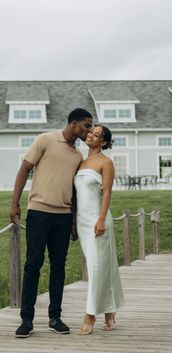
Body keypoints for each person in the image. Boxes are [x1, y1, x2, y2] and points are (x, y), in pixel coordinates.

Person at [10, 108, 93, 338]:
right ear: (74, 123)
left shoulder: (78, 156)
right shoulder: (45, 139)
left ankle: (55, 317)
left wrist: (74, 222)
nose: (89, 130)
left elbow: (75, 193)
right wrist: (14, 203)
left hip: (63, 217)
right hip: (38, 212)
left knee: (58, 266)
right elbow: (24, 169)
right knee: (33, 264)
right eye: (86, 125)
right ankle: (26, 320)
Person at [74, 124, 125, 335]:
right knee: (102, 267)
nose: (91, 136)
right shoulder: (80, 162)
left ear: (103, 142)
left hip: (98, 219)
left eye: (96, 135)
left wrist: (102, 219)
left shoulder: (106, 162)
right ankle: (110, 310)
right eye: (90, 132)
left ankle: (90, 315)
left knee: (96, 268)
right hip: (81, 221)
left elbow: (106, 194)